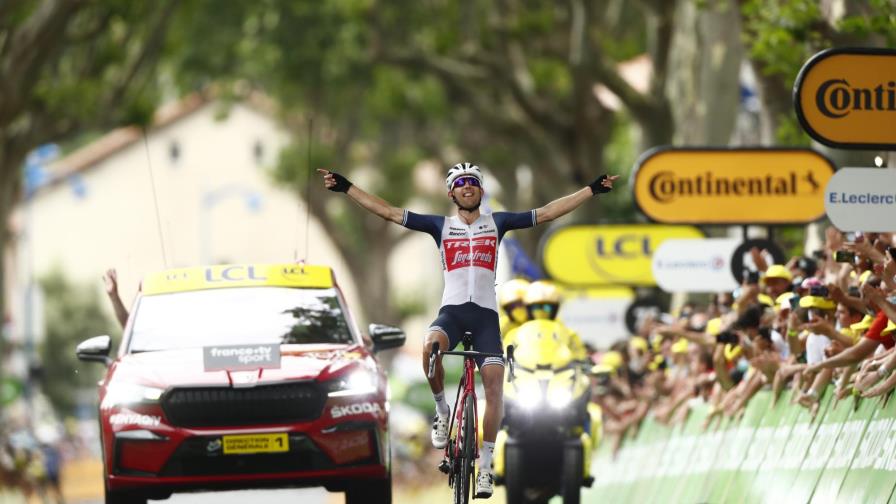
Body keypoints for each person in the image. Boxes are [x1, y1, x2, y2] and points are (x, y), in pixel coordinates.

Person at [318, 163, 618, 497]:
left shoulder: (498, 223)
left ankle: (486, 467)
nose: (467, 187)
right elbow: (388, 212)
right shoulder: (439, 226)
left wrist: (591, 189)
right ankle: (442, 411)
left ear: (480, 190)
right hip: (453, 314)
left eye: (472, 182)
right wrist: (347, 188)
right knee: (430, 346)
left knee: (494, 388)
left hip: (487, 319)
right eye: (460, 183)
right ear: (451, 192)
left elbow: (547, 212)